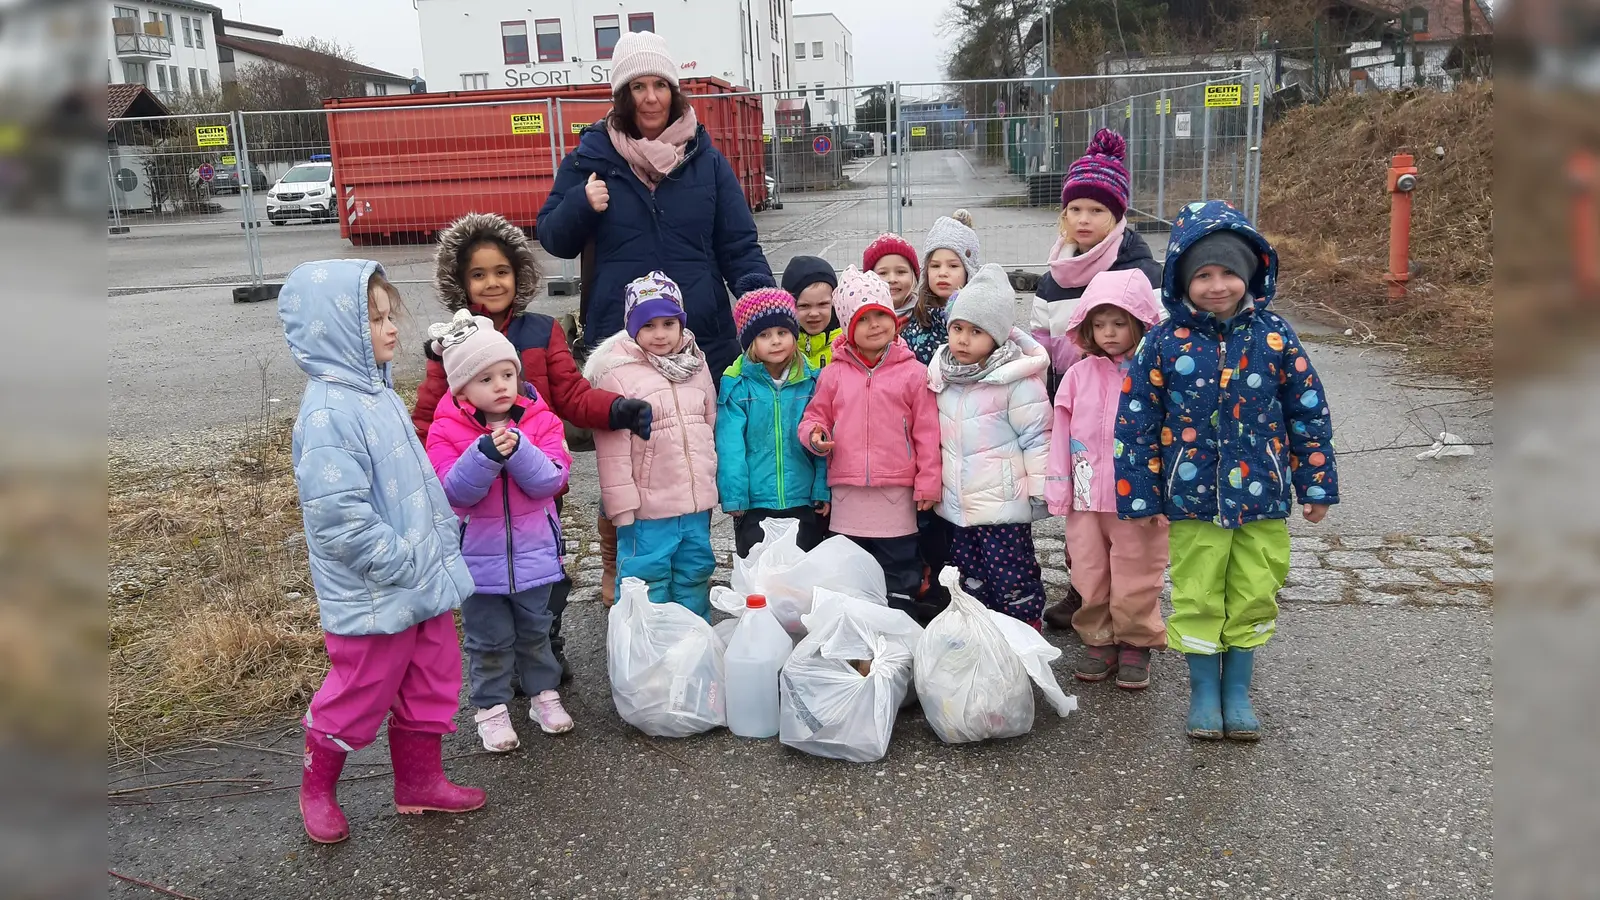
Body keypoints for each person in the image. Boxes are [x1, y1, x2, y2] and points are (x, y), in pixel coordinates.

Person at [1116, 200, 1340, 741]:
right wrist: (1141, 496)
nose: (1217, 286)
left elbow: (1307, 411)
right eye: (1203, 276)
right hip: (1191, 499)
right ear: (1181, 281)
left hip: (1262, 496)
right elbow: (1137, 422)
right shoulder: (1162, 343)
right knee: (1197, 593)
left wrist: (1315, 484)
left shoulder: (1275, 336)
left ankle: (1237, 689)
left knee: (1255, 590)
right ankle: (1203, 691)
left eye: (1228, 273)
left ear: (1250, 275)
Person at [280, 260, 481, 845]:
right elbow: (337, 516)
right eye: (373, 319)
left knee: (432, 677)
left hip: (419, 577)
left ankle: (419, 781)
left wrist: (434, 545)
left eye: (389, 315)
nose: (391, 328)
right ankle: (317, 789)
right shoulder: (327, 414)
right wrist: (400, 558)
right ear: (334, 331)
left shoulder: (379, 394)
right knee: (360, 689)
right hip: (374, 588)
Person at [412, 212, 653, 666]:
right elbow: (430, 415)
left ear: (518, 275)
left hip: (537, 486)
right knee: (487, 579)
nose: (492, 283)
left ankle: (543, 650)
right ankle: (497, 659)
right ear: (460, 282)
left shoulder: (542, 330)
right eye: (478, 275)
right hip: (476, 494)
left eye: (501, 271)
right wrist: (416, 471)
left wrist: (616, 408)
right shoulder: (450, 346)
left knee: (544, 574)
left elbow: (572, 394)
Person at [535, 30, 775, 378]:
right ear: (622, 95)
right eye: (638, 86)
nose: (651, 98)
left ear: (673, 92)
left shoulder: (706, 160)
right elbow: (553, 237)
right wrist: (581, 204)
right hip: (621, 343)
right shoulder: (590, 159)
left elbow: (739, 246)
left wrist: (764, 306)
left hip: (702, 340)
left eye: (660, 85)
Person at [424, 310, 576, 752]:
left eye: (508, 374)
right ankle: (490, 709)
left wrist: (520, 449)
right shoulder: (446, 429)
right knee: (487, 641)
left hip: (534, 554)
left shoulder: (540, 420)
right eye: (486, 379)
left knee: (536, 631)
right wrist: (484, 455)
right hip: (478, 562)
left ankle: (543, 696)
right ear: (461, 388)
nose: (501, 386)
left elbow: (552, 480)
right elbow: (453, 491)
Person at [1032, 128, 1164, 632]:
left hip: (1129, 407)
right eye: (1075, 209)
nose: (1084, 220)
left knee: (1125, 516)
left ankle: (1131, 607)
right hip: (1075, 402)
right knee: (1081, 507)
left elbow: (1160, 340)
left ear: (1118, 216)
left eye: (1097, 210)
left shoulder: (1142, 272)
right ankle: (1083, 589)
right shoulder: (1053, 278)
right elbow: (1042, 345)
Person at [1045, 269, 1169, 690]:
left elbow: (1169, 435)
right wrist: (1058, 486)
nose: (1109, 333)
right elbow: (1061, 434)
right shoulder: (1078, 376)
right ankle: (1098, 637)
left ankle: (1135, 641)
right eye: (1099, 324)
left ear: (1141, 322)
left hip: (1139, 500)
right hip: (1085, 500)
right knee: (1089, 572)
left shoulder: (1154, 375)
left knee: (1137, 574)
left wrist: (1166, 493)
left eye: (1119, 323)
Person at [799, 267, 943, 624]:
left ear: (894, 318)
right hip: (847, 495)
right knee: (850, 569)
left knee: (899, 566)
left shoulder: (913, 373)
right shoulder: (834, 373)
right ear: (848, 328)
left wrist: (928, 481)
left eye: (881, 315)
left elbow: (927, 433)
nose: (874, 325)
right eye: (863, 319)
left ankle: (898, 626)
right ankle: (854, 630)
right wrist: (815, 435)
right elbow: (815, 416)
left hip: (896, 494)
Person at [584, 272, 720, 618]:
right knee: (645, 580)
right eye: (648, 325)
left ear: (681, 323)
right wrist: (621, 506)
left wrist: (709, 478)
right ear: (633, 328)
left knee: (694, 573)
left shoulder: (696, 365)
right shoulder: (617, 374)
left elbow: (709, 423)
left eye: (668, 324)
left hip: (693, 503)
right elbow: (612, 451)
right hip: (647, 507)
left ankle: (692, 638)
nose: (660, 334)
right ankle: (645, 644)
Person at [926, 264, 1053, 629]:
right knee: (970, 576)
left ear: (996, 337)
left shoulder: (1016, 382)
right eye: (958, 329)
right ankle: (980, 631)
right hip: (959, 507)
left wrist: (1040, 488)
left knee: (1012, 575)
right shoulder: (944, 377)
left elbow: (1037, 437)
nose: (963, 340)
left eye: (976, 331)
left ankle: (1023, 629)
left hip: (1003, 506)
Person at [716, 287, 830, 556]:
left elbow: (823, 437)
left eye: (782, 332)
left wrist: (822, 489)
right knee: (759, 566)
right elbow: (730, 446)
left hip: (803, 497)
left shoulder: (812, 382)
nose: (776, 341)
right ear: (750, 341)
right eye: (764, 335)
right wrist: (735, 496)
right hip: (755, 502)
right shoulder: (737, 386)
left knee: (803, 567)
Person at [902, 210, 980, 366]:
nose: (942, 273)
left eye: (953, 266)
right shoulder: (916, 319)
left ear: (968, 271)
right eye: (935, 266)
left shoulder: (981, 318)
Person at [781, 255, 840, 370]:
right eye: (804, 306)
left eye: (822, 304)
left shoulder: (846, 346)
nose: (814, 313)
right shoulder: (780, 347)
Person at [862, 233, 920, 322]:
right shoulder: (858, 319)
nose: (892, 279)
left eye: (901, 272)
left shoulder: (928, 317)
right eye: (883, 273)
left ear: (914, 276)